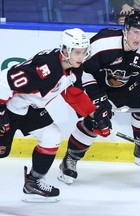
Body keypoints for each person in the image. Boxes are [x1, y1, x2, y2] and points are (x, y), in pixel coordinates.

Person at [58, 9, 140, 185]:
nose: (138, 38)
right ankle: (70, 158)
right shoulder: (103, 43)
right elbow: (83, 72)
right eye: (135, 32)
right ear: (125, 29)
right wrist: (99, 100)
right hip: (97, 87)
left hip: (128, 89)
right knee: (95, 119)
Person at [0, 28, 111, 202]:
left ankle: (34, 182)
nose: (81, 57)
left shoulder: (74, 69)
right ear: (65, 50)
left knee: (51, 135)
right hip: (9, 106)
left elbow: (73, 94)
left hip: (31, 108)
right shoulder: (45, 67)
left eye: (84, 52)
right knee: (1, 152)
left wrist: (93, 114)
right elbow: (4, 80)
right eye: (77, 52)